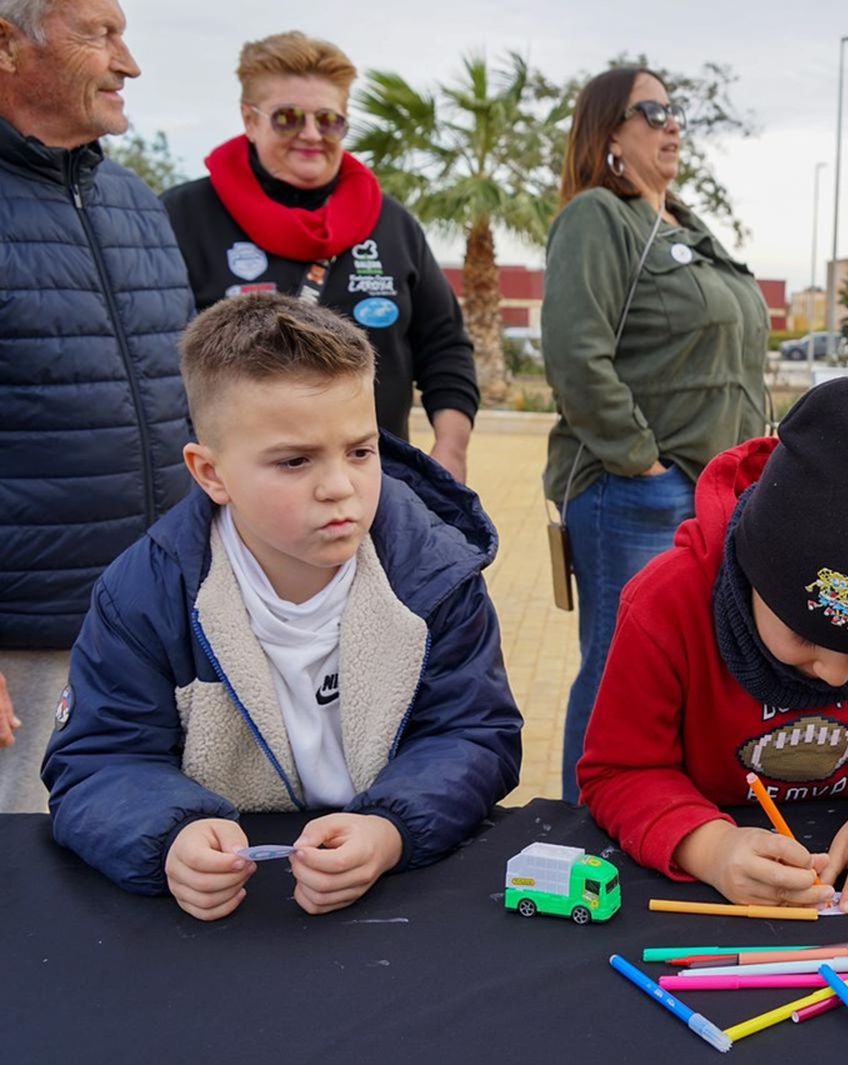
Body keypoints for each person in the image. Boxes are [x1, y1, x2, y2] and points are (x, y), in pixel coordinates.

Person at [42, 295, 522, 920]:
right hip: (227, 915)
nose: (339, 486)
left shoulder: (438, 575)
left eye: (360, 451)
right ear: (210, 472)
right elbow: (97, 758)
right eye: (294, 461)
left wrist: (389, 829)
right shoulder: (144, 593)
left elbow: (475, 734)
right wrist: (171, 837)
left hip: (398, 897)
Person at [578, 377, 848, 922]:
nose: (836, 677)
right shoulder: (665, 605)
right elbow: (619, 773)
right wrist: (710, 848)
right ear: (755, 573)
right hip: (708, 894)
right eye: (807, 637)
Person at [544, 66, 769, 802]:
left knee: (686, 672)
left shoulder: (688, 228)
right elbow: (576, 355)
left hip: (714, 494)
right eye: (652, 111)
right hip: (636, 493)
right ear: (610, 132)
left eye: (676, 111)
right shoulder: (598, 218)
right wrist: (642, 462)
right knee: (619, 672)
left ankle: (659, 812)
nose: (673, 124)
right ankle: (583, 826)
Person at [0, 0, 194, 812]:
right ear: (9, 46)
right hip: (28, 660)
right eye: (99, 35)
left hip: (157, 634)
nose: (130, 64)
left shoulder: (137, 203)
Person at [162, 31, 477, 481]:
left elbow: (444, 345)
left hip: (377, 493)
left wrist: (451, 449)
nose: (311, 135)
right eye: (287, 118)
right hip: (233, 501)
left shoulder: (391, 224)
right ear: (249, 120)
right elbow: (150, 364)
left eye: (329, 120)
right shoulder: (182, 217)